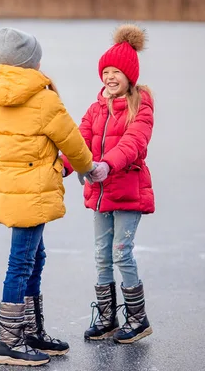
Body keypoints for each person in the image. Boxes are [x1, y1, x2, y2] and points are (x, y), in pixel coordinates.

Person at [0, 27, 94, 366]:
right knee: (20, 263)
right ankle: (9, 342)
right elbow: (72, 140)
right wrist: (87, 168)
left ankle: (31, 331)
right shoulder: (43, 98)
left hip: (13, 186)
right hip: (31, 191)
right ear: (31, 62)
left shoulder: (1, 98)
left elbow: (2, 145)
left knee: (34, 257)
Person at [63, 23, 155, 344]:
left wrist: (106, 164)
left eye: (117, 71)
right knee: (102, 255)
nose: (110, 77)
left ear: (130, 77)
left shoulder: (140, 107)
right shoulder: (95, 108)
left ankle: (138, 319)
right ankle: (107, 317)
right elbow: (79, 141)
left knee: (121, 253)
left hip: (128, 193)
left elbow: (133, 144)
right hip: (100, 195)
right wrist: (64, 165)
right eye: (106, 71)